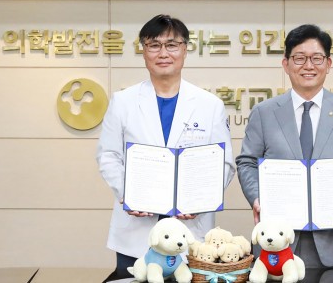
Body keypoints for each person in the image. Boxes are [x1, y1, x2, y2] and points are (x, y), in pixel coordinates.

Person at [96, 14, 236, 281]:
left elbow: (224, 164)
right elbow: (109, 156)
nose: (163, 53)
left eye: (171, 45)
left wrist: (201, 200)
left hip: (191, 227)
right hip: (136, 227)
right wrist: (127, 194)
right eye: (154, 45)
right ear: (143, 51)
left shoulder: (209, 105)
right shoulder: (123, 102)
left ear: (184, 49)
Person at [236, 24, 333, 269]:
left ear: (328, 64)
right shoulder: (264, 112)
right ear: (286, 64)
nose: (308, 66)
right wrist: (257, 199)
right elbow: (247, 162)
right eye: (299, 58)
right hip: (276, 242)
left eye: (316, 58)